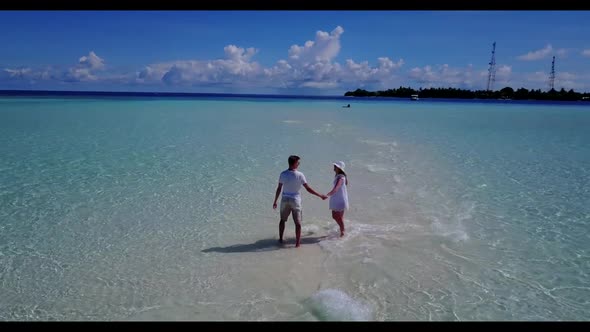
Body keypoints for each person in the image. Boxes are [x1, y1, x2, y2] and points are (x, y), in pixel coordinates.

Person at [273, 155, 327, 247]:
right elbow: (308, 188)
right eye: (298, 162)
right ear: (294, 163)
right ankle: (297, 244)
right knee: (297, 223)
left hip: (285, 199)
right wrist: (320, 195)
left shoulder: (283, 174)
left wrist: (275, 201)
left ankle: (281, 239)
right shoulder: (300, 175)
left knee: (282, 220)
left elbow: (279, 188)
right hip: (295, 200)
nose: (299, 164)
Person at [325, 161, 349, 237]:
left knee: (335, 216)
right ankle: (342, 231)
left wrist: (328, 195)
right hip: (340, 199)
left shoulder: (341, 177)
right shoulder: (340, 176)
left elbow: (337, 188)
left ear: (339, 168)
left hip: (339, 200)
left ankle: (342, 231)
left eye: (335, 166)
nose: (334, 167)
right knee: (339, 217)